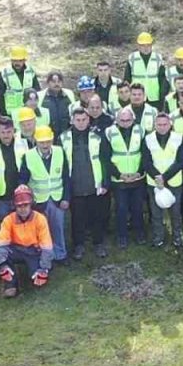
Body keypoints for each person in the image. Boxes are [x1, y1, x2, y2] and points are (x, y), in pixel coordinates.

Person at [60, 109, 111, 259]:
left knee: (97, 216)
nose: (81, 123)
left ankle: (98, 243)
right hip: (74, 185)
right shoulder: (63, 138)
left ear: (88, 120)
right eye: (78, 120)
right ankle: (78, 245)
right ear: (72, 121)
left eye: (84, 120)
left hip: (94, 184)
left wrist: (105, 183)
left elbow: (105, 161)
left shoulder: (98, 137)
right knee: (77, 218)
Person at [18, 126, 71, 264]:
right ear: (36, 141)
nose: (45, 145)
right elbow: (23, 178)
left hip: (57, 198)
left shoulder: (60, 152)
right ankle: (45, 257)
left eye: (48, 141)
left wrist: (66, 197)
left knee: (58, 228)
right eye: (42, 142)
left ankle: (60, 255)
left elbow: (66, 177)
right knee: (41, 231)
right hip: (38, 200)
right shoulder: (28, 156)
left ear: (52, 140)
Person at [0, 185, 54, 298]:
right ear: (15, 206)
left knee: (38, 281)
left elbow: (47, 247)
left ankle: (37, 272)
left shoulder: (40, 219)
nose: (23, 208)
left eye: (26, 205)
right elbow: (0, 244)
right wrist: (2, 265)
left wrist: (44, 268)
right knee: (3, 261)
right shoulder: (8, 220)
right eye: (19, 206)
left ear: (31, 204)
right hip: (15, 250)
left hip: (33, 251)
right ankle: (10, 284)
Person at [142, 113, 183, 249]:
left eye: (165, 124)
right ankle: (158, 238)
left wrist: (165, 177)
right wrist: (157, 177)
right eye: (159, 124)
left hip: (173, 181)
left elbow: (180, 161)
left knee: (175, 212)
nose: (162, 127)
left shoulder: (179, 138)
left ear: (170, 124)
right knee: (156, 213)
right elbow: (146, 162)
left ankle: (177, 237)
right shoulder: (148, 139)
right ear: (155, 125)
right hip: (154, 182)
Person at [105, 107, 148, 249]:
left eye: (128, 120)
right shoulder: (109, 132)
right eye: (121, 120)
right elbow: (105, 158)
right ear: (116, 120)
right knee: (121, 208)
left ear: (133, 119)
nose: (125, 123)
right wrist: (119, 175)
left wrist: (139, 172)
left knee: (137, 207)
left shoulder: (141, 131)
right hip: (119, 180)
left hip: (137, 178)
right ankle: (122, 236)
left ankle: (140, 233)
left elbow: (145, 154)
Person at [0, 116, 27, 224]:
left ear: (13, 131)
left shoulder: (23, 144)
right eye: (3, 132)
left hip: (20, 194)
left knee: (22, 226)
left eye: (8, 132)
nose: (6, 135)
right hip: (1, 196)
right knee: (5, 228)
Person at [0, 46, 39, 120]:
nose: (17, 63)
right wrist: (3, 113)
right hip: (11, 113)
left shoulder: (30, 71)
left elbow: (37, 90)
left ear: (24, 60)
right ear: (11, 60)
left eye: (20, 60)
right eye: (15, 60)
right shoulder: (4, 73)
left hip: (29, 111)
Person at [126, 32, 166, 104]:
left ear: (151, 45)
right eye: (143, 45)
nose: (146, 48)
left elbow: (162, 79)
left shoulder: (158, 58)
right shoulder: (132, 58)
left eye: (148, 45)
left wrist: (162, 95)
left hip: (154, 96)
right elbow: (127, 78)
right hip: (137, 95)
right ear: (138, 46)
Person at [40, 72, 76, 139]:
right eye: (53, 82)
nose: (56, 84)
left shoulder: (69, 94)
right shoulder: (40, 96)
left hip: (67, 135)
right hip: (47, 136)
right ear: (48, 83)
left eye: (59, 81)